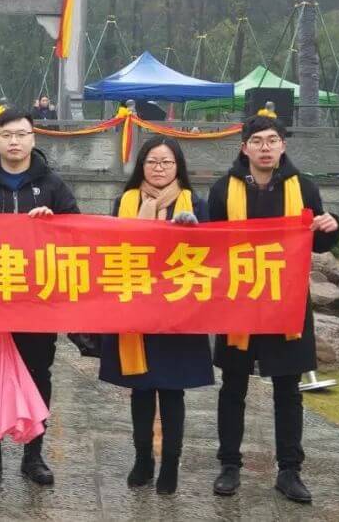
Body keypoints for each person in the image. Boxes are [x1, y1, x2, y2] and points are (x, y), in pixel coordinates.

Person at [209, 114, 339, 504]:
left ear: (283, 145)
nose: (265, 147)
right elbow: (209, 245)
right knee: (232, 386)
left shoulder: (304, 187)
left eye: (272, 140)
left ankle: (289, 471)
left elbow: (317, 243)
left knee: (288, 388)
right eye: (257, 141)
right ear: (244, 147)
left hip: (286, 304)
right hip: (239, 301)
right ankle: (230, 465)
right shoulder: (223, 190)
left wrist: (333, 226)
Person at [0, 107, 79, 485]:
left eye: (21, 134)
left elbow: (76, 230)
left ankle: (34, 454)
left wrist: (52, 224)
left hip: (37, 301)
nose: (14, 141)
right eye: (7, 134)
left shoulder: (53, 184)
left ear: (33, 138)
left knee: (39, 372)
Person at [98, 137, 214, 495]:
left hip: (179, 309)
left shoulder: (194, 202)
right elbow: (112, 248)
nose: (159, 168)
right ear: (141, 166)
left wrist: (194, 233)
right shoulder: (126, 202)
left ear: (178, 166)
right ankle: (143, 458)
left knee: (173, 390)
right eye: (152, 162)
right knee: (142, 388)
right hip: (137, 306)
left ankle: (170, 465)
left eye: (166, 162)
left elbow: (211, 254)